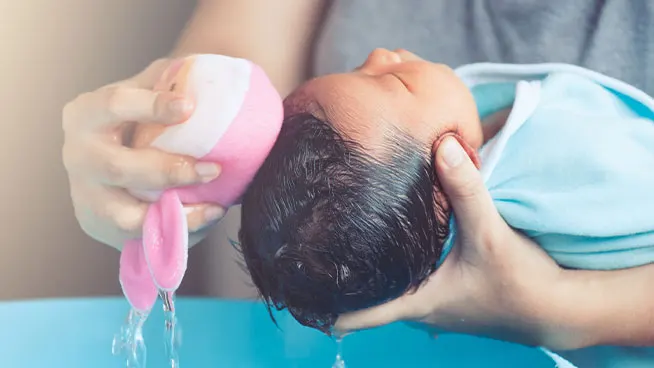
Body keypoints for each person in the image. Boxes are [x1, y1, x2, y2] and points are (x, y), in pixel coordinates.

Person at [61, 0, 654, 364]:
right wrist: (173, 138)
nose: (379, 52)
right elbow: (237, 53)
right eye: (380, 80)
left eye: (388, 81)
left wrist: (579, 311)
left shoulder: (572, 152)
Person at [238, 47, 654, 340]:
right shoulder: (562, 160)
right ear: (457, 159)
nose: (379, 54)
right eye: (395, 82)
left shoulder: (459, 125)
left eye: (357, 71)